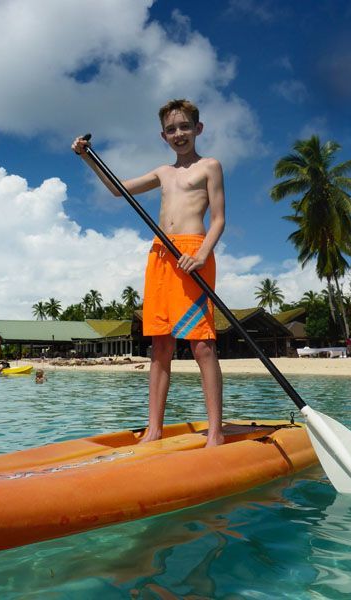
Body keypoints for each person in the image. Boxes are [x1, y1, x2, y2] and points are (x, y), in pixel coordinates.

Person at [72, 99, 225, 446]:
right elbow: (117, 189)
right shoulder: (163, 172)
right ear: (163, 135)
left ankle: (215, 431)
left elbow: (218, 219)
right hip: (160, 256)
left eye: (185, 126)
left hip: (192, 253)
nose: (179, 134)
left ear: (198, 129)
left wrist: (201, 254)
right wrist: (86, 157)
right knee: (160, 346)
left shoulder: (210, 166)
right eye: (171, 129)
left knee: (202, 344)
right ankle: (154, 429)